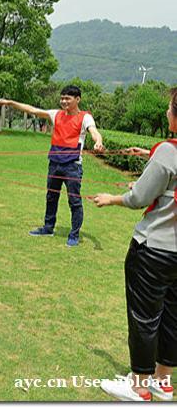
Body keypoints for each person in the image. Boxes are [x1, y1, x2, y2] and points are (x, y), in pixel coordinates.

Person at [93, 88, 177, 402]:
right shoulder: (166, 152)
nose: (166, 113)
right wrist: (148, 156)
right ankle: (163, 381)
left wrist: (111, 198)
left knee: (144, 316)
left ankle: (139, 385)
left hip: (154, 250)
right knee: (172, 317)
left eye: (169, 108)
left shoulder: (167, 152)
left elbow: (140, 197)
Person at [0, 85, 105, 247]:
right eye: (62, 98)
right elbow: (32, 110)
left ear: (77, 99)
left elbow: (94, 132)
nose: (64, 101)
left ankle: (74, 235)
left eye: (67, 98)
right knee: (51, 197)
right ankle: (48, 228)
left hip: (72, 166)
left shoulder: (85, 117)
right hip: (54, 163)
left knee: (74, 201)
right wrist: (10, 103)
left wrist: (98, 142)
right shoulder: (56, 114)